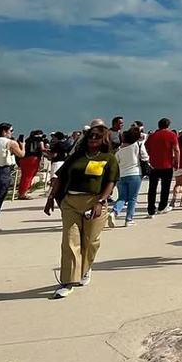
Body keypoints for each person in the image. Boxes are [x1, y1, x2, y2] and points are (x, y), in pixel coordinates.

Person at [44, 123, 119, 299]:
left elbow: (111, 182)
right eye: (91, 135)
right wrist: (50, 198)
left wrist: (101, 201)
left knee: (91, 241)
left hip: (94, 202)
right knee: (70, 241)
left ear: (104, 140)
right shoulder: (76, 157)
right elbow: (60, 177)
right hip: (71, 202)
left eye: (97, 136)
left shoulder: (109, 158)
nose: (93, 139)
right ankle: (69, 281)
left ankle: (85, 268)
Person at [112, 129, 148, 227]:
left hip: (122, 175)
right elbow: (145, 157)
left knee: (122, 197)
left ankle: (114, 212)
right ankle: (129, 219)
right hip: (135, 173)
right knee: (132, 198)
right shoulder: (138, 145)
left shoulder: (119, 149)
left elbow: (115, 162)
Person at [145, 118, 179, 216]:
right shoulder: (172, 135)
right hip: (167, 165)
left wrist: (151, 154)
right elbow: (176, 150)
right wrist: (177, 162)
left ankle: (151, 209)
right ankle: (162, 206)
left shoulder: (152, 136)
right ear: (168, 126)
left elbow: (146, 147)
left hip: (154, 165)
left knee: (152, 188)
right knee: (165, 187)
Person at [17, 130, 47, 199]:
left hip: (24, 159)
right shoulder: (39, 139)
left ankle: (22, 192)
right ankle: (23, 193)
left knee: (24, 176)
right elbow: (42, 149)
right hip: (33, 159)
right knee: (29, 176)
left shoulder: (27, 140)